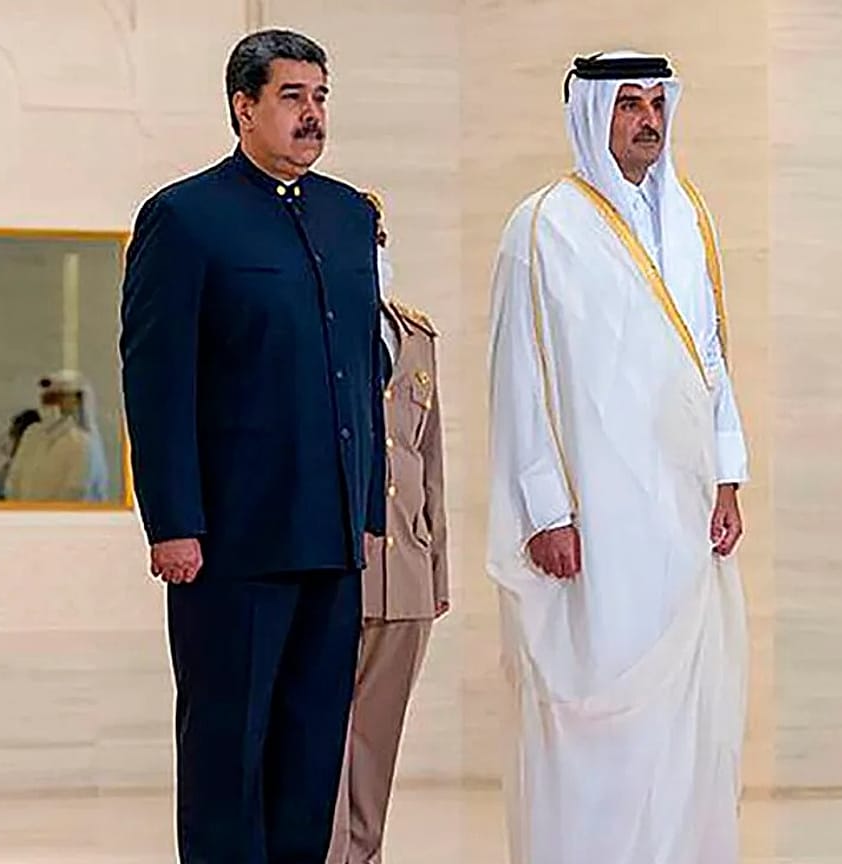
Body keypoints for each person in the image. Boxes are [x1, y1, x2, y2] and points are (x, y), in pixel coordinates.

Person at [120, 28, 386, 864]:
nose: (312, 115)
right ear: (244, 107)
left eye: (320, 97)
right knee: (227, 754)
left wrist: (367, 505)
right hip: (231, 545)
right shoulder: (185, 219)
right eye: (291, 97)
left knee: (311, 755)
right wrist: (173, 522)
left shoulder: (349, 217)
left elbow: (362, 369)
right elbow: (157, 381)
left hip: (332, 537)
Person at [486, 52, 750, 864]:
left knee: (690, 718)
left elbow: (711, 359)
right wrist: (546, 511)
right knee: (594, 713)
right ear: (591, 114)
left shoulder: (691, 217)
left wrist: (728, 476)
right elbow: (520, 377)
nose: (647, 120)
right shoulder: (542, 226)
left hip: (685, 512)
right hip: (595, 521)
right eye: (629, 104)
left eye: (657, 104)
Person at [329, 193, 449, 864]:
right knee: (325, 742)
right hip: (339, 564)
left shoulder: (416, 335)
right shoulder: (321, 326)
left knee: (377, 741)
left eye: (379, 242)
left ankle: (365, 854)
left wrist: (436, 571)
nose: (374, 255)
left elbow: (429, 461)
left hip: (404, 573)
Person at [4, 371, 108, 502]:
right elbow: (14, 481)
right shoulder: (32, 435)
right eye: (48, 399)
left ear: (77, 400)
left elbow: (76, 492)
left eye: (58, 398)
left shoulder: (82, 443)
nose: (51, 405)